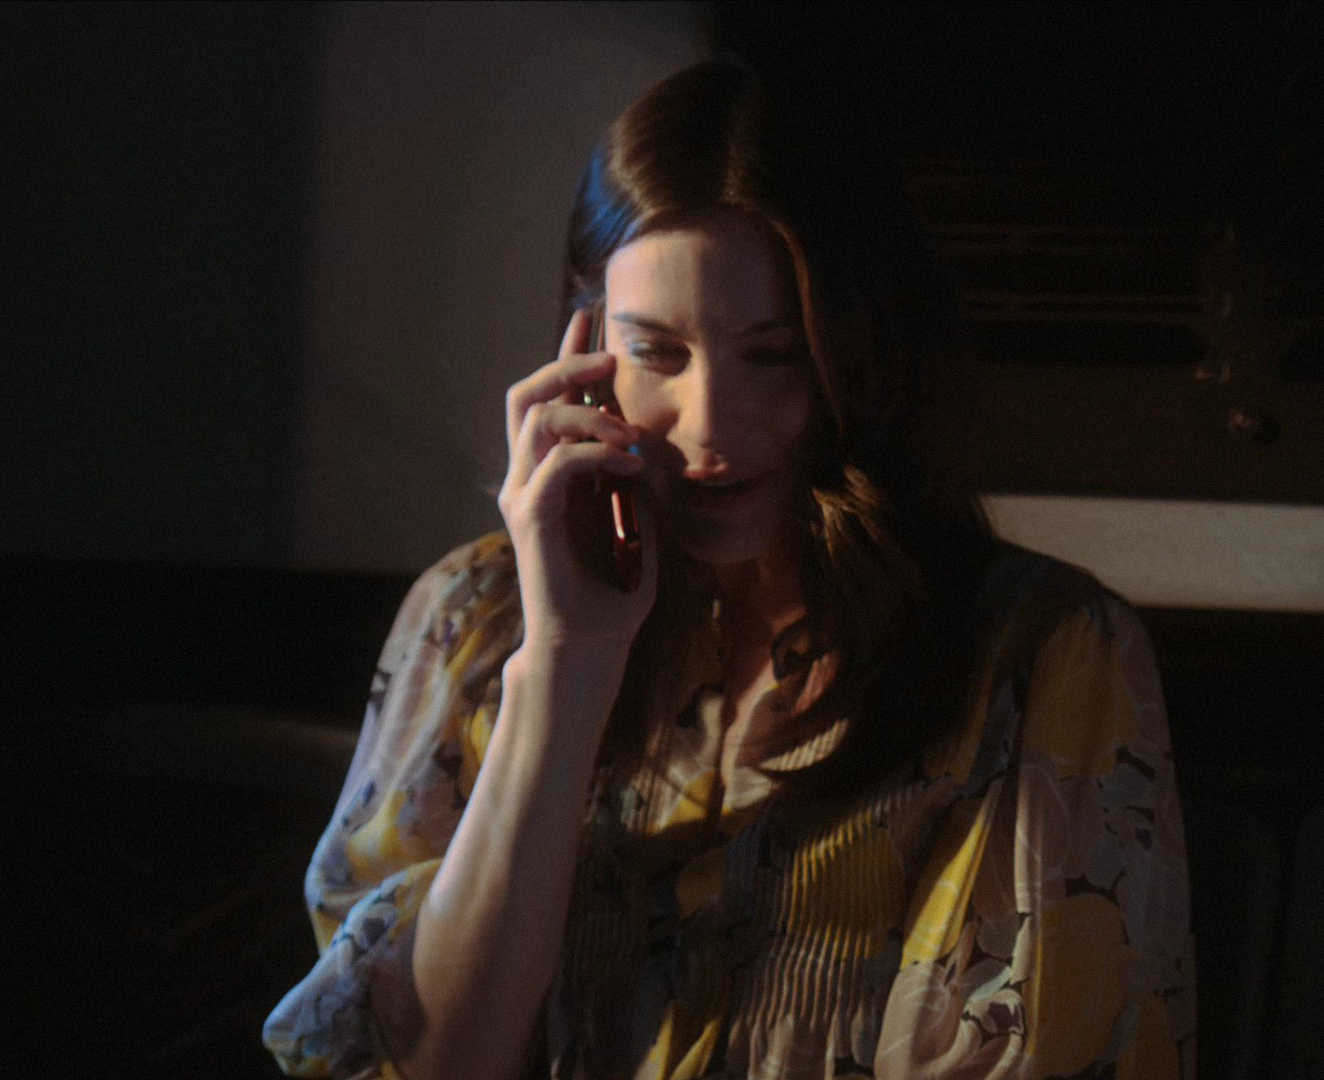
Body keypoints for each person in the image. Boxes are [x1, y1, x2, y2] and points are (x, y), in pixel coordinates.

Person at [263, 58, 1196, 1080]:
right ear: (586, 351)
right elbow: (442, 1064)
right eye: (657, 354)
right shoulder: (471, 618)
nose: (710, 428)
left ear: (859, 352)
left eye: (774, 354)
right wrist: (566, 667)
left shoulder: (1042, 656)